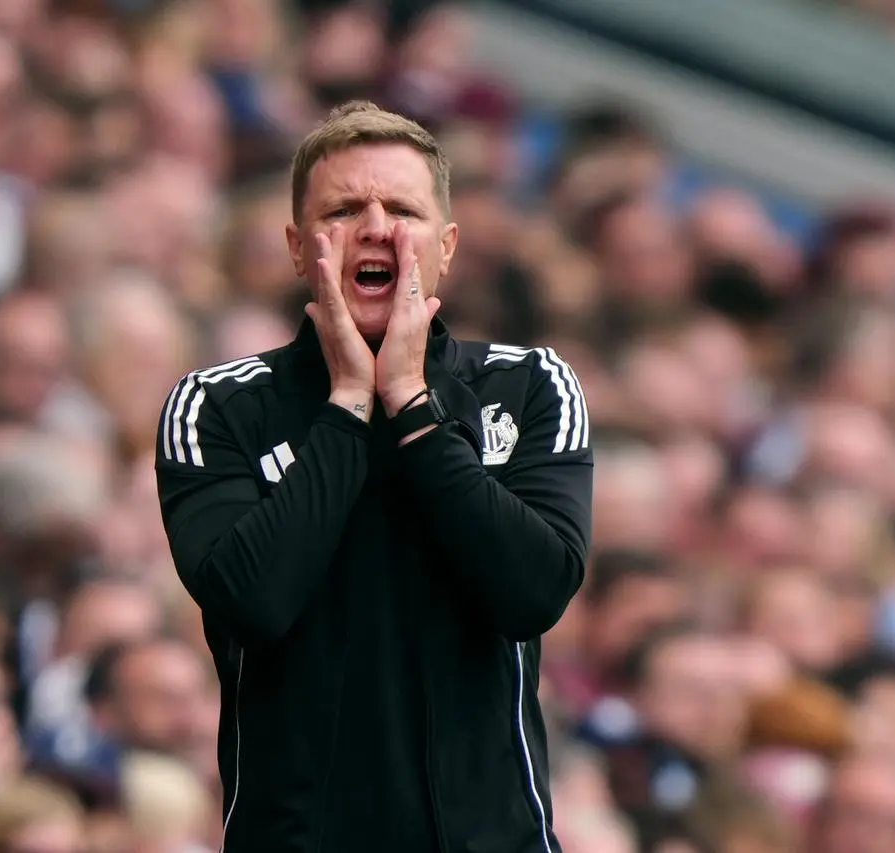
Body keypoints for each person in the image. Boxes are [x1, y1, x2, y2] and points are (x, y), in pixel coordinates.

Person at [156, 101, 594, 852]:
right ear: (300, 248)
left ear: (447, 246)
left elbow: (534, 590)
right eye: (344, 208)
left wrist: (415, 410)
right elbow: (252, 601)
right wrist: (350, 404)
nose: (378, 227)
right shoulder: (215, 406)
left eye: (403, 209)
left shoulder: (531, 386)